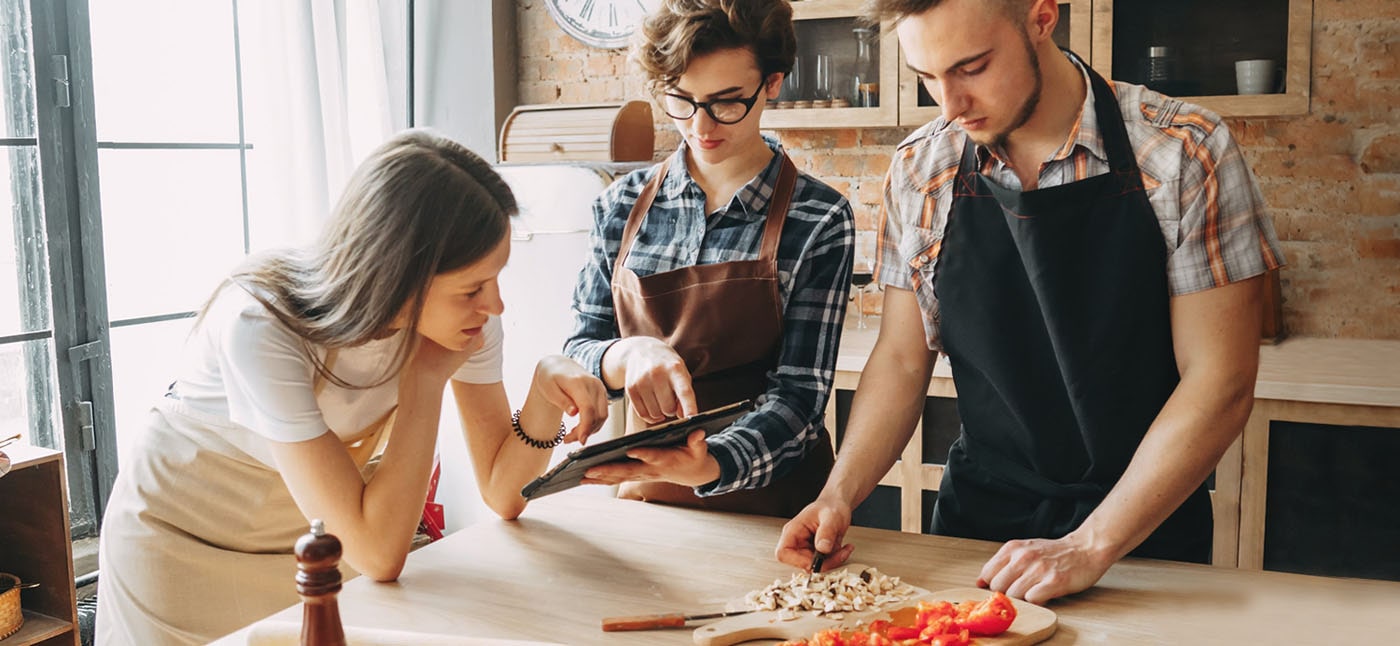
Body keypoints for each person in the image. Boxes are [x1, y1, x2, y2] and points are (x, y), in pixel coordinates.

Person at [777, 0, 1285, 604]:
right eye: (926, 76)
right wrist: (840, 494)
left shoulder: (1184, 152)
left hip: (1137, 535)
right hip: (975, 535)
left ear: (1042, 17)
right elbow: (902, 359)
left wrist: (1091, 545)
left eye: (972, 67)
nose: (949, 104)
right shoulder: (921, 167)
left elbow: (1220, 381)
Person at [96, 130, 610, 645]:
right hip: (183, 541)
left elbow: (504, 493)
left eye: (495, 278)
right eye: (473, 288)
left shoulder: (463, 321)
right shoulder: (260, 325)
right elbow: (378, 554)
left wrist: (543, 392)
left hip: (316, 541)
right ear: (397, 275)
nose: (495, 305)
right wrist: (425, 378)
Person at [563, 0, 855, 517]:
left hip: (778, 512)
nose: (701, 125)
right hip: (648, 506)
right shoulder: (620, 205)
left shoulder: (820, 218)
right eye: (681, 100)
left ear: (772, 83)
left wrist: (711, 463)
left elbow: (800, 399)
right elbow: (579, 347)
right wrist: (626, 356)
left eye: (726, 101)